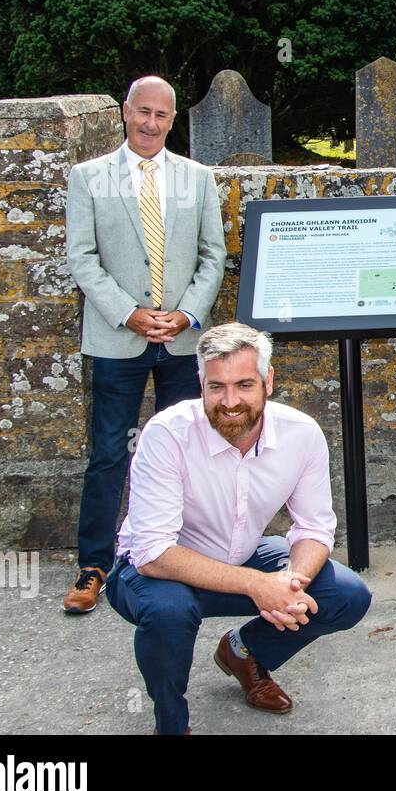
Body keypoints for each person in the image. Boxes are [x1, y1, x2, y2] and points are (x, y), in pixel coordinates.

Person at [105, 323, 372, 735]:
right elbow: (153, 551)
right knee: (168, 612)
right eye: (217, 387)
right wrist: (257, 585)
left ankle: (244, 652)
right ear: (201, 383)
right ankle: (171, 725)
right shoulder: (165, 434)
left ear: (268, 381)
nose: (230, 402)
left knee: (346, 595)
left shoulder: (301, 434)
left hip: (241, 554)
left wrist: (290, 584)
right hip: (155, 571)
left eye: (244, 384)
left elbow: (315, 528)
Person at [63, 76, 225, 613]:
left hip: (181, 340)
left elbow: (212, 256)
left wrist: (186, 314)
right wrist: (129, 314)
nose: (150, 123)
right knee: (109, 452)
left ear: (172, 120)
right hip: (118, 337)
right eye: (142, 112)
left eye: (161, 115)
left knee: (189, 450)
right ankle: (94, 564)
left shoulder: (197, 178)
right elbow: (83, 258)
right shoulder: (88, 178)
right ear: (125, 113)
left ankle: (184, 554)